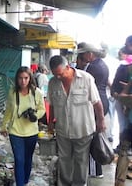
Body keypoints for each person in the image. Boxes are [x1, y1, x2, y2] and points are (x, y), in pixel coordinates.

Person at [47, 55, 105, 186]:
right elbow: (51, 105)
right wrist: (50, 123)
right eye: (55, 74)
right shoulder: (52, 83)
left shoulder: (86, 79)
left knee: (81, 161)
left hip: (83, 130)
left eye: (60, 74)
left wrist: (101, 121)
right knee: (64, 160)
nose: (58, 77)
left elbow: (97, 102)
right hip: (63, 130)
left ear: (68, 67)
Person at [0, 66, 46, 186]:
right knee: (19, 160)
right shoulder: (12, 92)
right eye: (20, 78)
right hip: (15, 132)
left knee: (27, 159)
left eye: (26, 78)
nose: (23, 81)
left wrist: (35, 115)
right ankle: (20, 183)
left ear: (30, 78)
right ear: (17, 79)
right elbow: (9, 111)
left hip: (32, 132)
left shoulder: (37, 92)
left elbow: (42, 109)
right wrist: (3, 126)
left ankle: (25, 181)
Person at [76, 42, 110, 179]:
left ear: (90, 54)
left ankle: (95, 170)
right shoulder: (103, 65)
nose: (84, 59)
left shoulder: (92, 68)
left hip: (96, 103)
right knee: (95, 136)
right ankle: (97, 168)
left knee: (92, 138)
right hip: (103, 101)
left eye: (84, 55)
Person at [113, 35, 132, 186]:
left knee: (124, 150)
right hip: (129, 121)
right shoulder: (126, 68)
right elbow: (120, 93)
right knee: (124, 150)